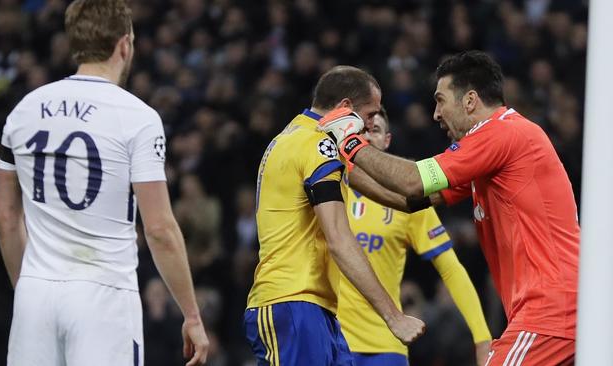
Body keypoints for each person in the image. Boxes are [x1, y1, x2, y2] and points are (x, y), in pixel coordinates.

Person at [319, 51, 579, 366]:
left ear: (469, 101)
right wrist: (342, 168)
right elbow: (407, 200)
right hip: (555, 309)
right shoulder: (493, 152)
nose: (436, 114)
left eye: (441, 101)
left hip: (549, 311)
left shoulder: (501, 133)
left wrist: (350, 142)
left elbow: (413, 181)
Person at [0, 1, 209, 365]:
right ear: (124, 44)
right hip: (102, 297)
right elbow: (158, 228)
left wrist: (28, 289)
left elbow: (4, 218)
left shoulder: (24, 111)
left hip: (35, 294)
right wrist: (192, 314)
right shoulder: (137, 118)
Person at [245, 65, 425, 365]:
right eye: (370, 115)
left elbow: (400, 196)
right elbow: (339, 240)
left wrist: (457, 181)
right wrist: (393, 317)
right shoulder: (317, 146)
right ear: (345, 109)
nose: (369, 127)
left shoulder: (306, 138)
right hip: (292, 305)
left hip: (315, 309)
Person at [336, 107, 492, 366]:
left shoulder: (407, 202)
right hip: (331, 341)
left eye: (374, 131)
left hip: (385, 344)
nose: (366, 138)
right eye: (360, 132)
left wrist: (482, 337)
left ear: (387, 141)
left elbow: (451, 269)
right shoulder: (329, 187)